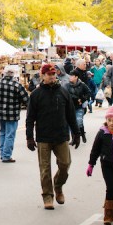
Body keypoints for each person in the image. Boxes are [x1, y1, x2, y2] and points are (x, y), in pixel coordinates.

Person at [26, 62, 80, 210]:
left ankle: (58, 185)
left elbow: (71, 115)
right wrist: (29, 137)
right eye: (49, 74)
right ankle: (48, 196)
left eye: (53, 74)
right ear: (42, 76)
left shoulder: (63, 92)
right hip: (43, 137)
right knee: (45, 169)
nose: (52, 76)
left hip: (61, 135)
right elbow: (30, 118)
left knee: (65, 164)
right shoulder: (36, 94)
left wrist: (76, 133)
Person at [0, 64, 29, 163]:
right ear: (13, 74)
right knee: (10, 135)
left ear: (4, 73)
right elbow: (26, 99)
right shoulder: (17, 85)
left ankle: (2, 153)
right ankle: (6, 155)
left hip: (0, 113)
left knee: (3, 133)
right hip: (12, 114)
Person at [62, 70, 91, 142]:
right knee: (70, 123)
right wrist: (76, 98)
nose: (70, 77)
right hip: (69, 107)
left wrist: (83, 99)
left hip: (79, 107)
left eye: (72, 76)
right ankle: (74, 139)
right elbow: (66, 95)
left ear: (76, 77)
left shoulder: (82, 85)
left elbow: (88, 93)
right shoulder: (67, 86)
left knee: (78, 122)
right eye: (70, 75)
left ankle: (83, 135)